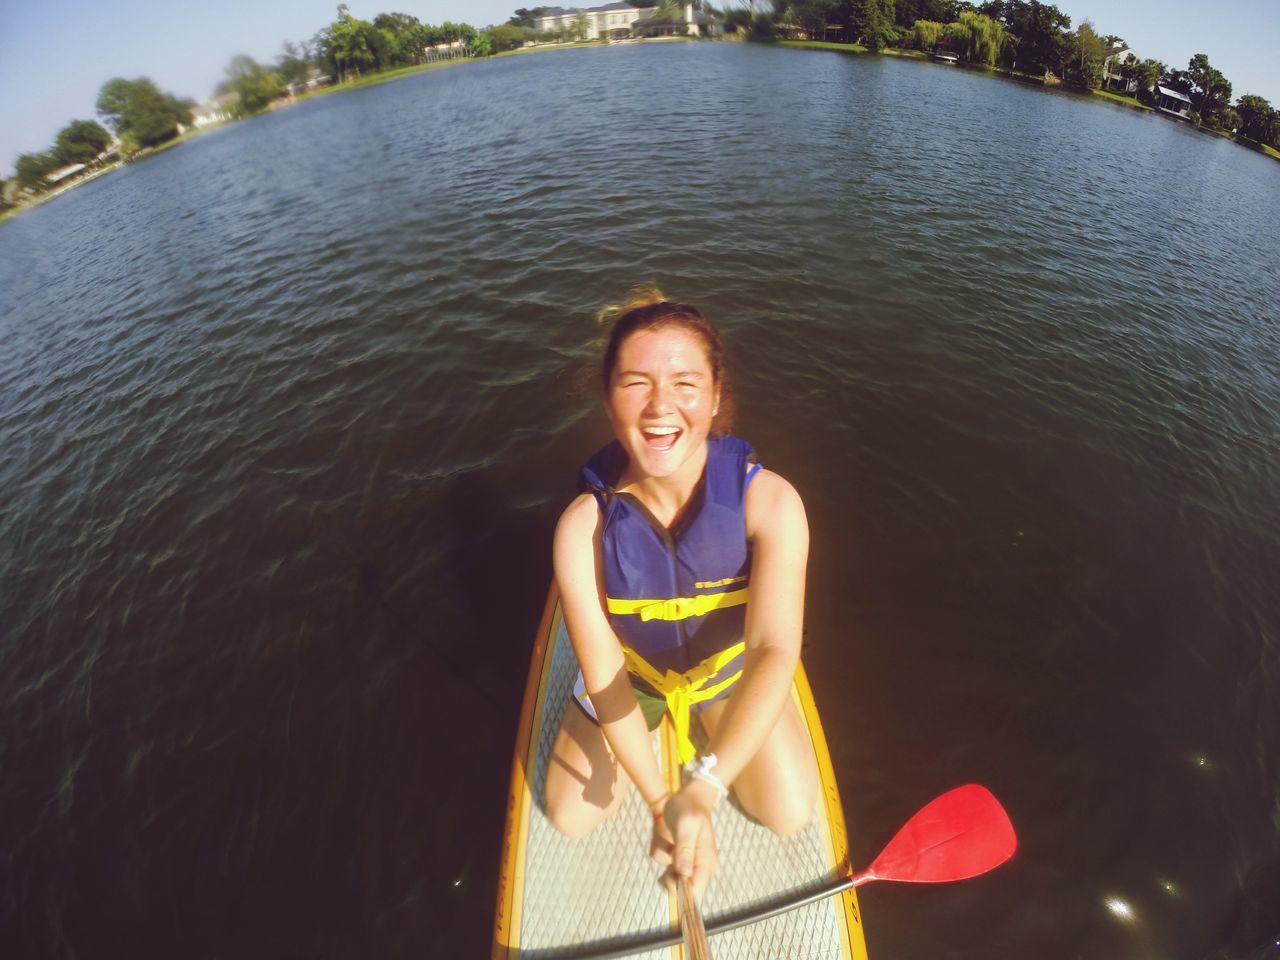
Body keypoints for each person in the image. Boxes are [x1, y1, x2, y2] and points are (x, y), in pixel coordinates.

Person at [543, 289, 818, 901]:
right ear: (607, 398)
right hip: (636, 674)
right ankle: (668, 724)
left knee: (790, 813)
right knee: (569, 813)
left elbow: (774, 648)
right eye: (635, 383)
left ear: (717, 396)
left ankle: (717, 726)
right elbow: (605, 665)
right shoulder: (581, 529)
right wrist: (664, 801)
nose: (659, 406)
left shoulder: (769, 502)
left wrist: (705, 789)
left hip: (723, 670)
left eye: (684, 383)